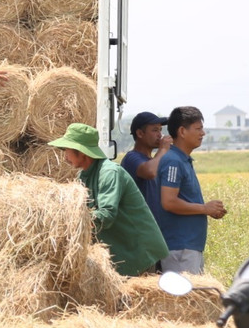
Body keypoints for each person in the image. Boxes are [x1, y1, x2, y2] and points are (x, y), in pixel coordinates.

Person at [48, 122, 169, 277]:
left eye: (67, 150)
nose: (64, 156)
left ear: (81, 151)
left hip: (138, 252)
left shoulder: (110, 173)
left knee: (133, 299)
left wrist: (72, 223)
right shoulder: (83, 177)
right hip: (122, 252)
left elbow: (106, 215)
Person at [155, 106, 228, 274]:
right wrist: (205, 208)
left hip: (188, 248)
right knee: (184, 298)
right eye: (198, 128)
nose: (202, 133)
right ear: (182, 131)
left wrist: (209, 210)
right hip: (180, 248)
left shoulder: (183, 160)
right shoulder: (173, 161)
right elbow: (169, 202)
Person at [118, 111, 172, 224]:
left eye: (160, 130)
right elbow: (149, 171)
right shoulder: (132, 158)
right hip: (140, 229)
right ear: (140, 133)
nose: (160, 135)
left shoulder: (153, 160)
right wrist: (163, 150)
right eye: (155, 130)